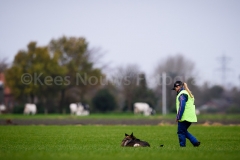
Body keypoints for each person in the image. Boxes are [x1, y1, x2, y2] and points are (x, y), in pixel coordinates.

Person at [172, 81, 200, 147]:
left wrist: (178, 117)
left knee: (181, 132)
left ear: (178, 86)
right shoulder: (188, 93)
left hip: (184, 117)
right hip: (190, 117)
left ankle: (183, 147)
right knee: (183, 131)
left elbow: (182, 105)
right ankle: (195, 142)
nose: (175, 90)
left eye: (175, 88)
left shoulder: (182, 94)